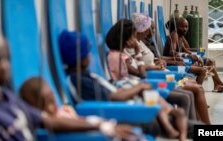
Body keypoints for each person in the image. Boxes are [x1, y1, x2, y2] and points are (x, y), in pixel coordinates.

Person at [0, 29, 135, 141]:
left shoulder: (7, 98)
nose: (4, 66)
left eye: (7, 59)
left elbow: (49, 121)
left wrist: (103, 126)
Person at [58, 28, 207, 141]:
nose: (90, 56)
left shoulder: (84, 76)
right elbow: (114, 96)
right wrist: (140, 88)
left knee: (186, 122)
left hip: (132, 108)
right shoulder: (78, 79)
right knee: (190, 127)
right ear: (81, 56)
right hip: (129, 115)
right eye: (88, 52)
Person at [164, 17, 223, 92]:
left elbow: (186, 48)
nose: (185, 29)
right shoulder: (174, 35)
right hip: (175, 63)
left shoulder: (179, 35)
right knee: (206, 66)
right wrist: (188, 55)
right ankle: (201, 90)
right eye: (182, 27)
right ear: (176, 27)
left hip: (182, 60)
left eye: (186, 26)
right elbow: (172, 52)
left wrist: (196, 56)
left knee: (211, 61)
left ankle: (217, 84)